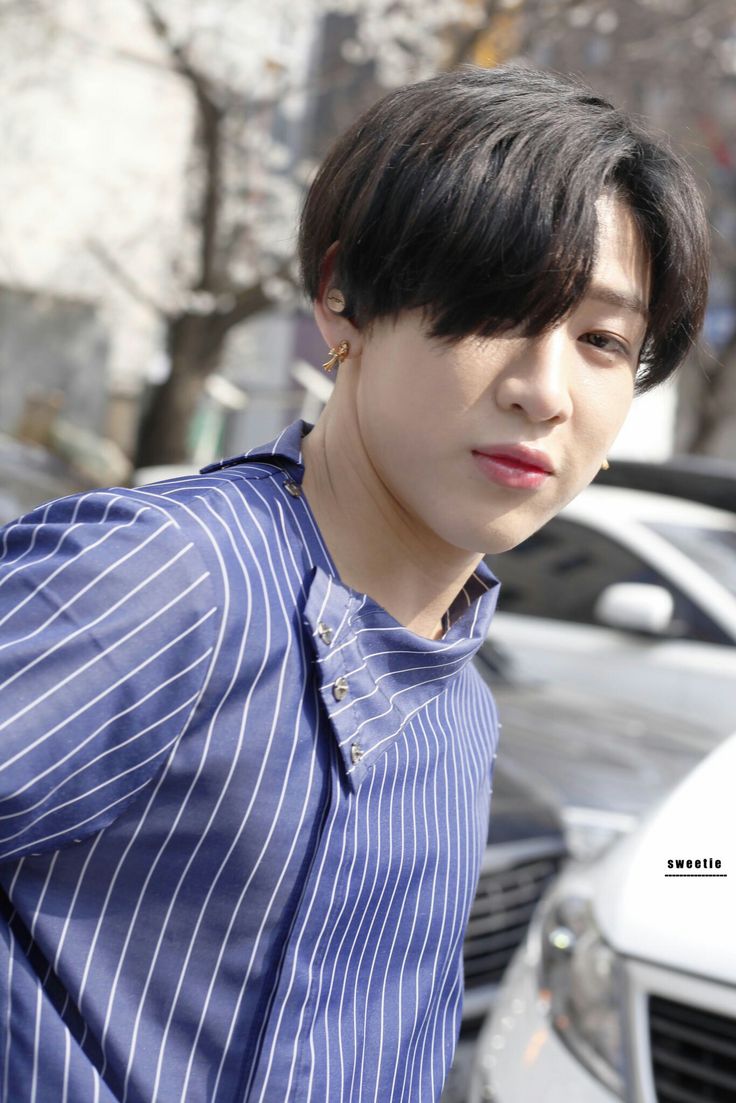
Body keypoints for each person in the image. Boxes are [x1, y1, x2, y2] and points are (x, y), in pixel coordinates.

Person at [0, 64, 709, 1103]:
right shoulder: (171, 579)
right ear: (342, 299)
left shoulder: (457, 706)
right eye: (499, 306)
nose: (544, 390)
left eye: (603, 341)